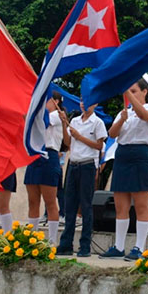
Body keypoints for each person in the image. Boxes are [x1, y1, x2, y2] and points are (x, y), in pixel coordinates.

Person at [100, 79, 148, 260]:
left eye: (134, 91)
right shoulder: (123, 112)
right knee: (120, 205)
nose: (130, 94)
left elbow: (144, 116)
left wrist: (129, 96)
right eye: (128, 91)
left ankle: (139, 247)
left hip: (140, 155)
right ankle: (118, 246)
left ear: (144, 92)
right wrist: (121, 120)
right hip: (122, 155)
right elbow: (112, 134)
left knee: (141, 204)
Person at [57, 101, 107, 257]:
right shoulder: (74, 121)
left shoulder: (97, 122)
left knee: (86, 205)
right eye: (82, 100)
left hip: (87, 165)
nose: (84, 104)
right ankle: (66, 243)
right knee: (69, 205)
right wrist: (64, 125)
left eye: (89, 101)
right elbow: (67, 142)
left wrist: (79, 136)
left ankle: (85, 245)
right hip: (73, 164)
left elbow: (99, 146)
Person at [24, 92, 69, 244]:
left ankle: (51, 240)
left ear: (55, 101)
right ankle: (31, 237)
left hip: (49, 156)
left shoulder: (57, 115)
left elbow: (41, 122)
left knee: (50, 201)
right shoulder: (40, 114)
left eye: (47, 100)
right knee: (33, 201)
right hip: (35, 156)